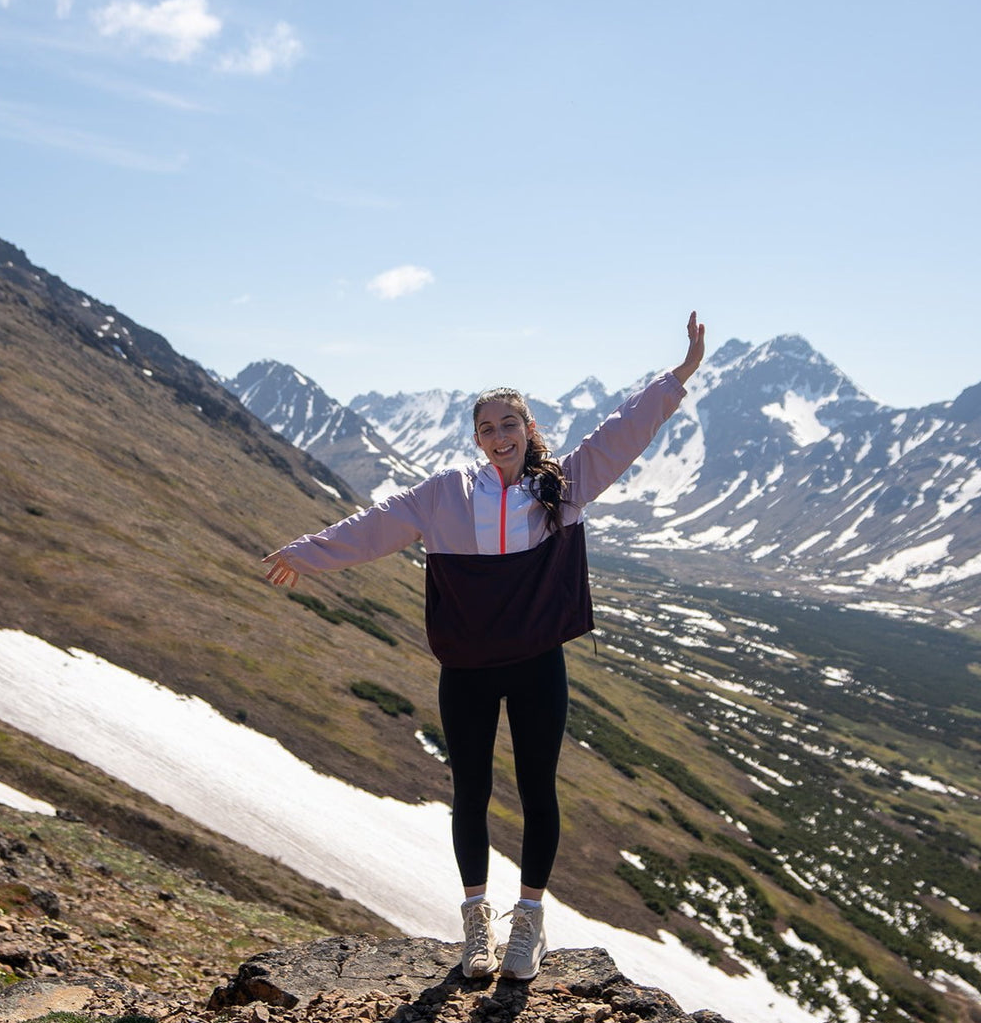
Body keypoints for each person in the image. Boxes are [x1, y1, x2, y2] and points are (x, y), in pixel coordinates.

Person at [264, 312, 707, 980]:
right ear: (477, 439)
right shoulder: (445, 494)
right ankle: (476, 924)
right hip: (466, 670)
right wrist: (305, 553)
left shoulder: (564, 485)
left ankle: (527, 922)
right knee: (469, 792)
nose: (500, 437)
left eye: (509, 424)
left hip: (537, 667)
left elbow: (623, 431)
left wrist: (678, 376)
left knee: (537, 791)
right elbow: (375, 526)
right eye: (487, 428)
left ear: (529, 429)